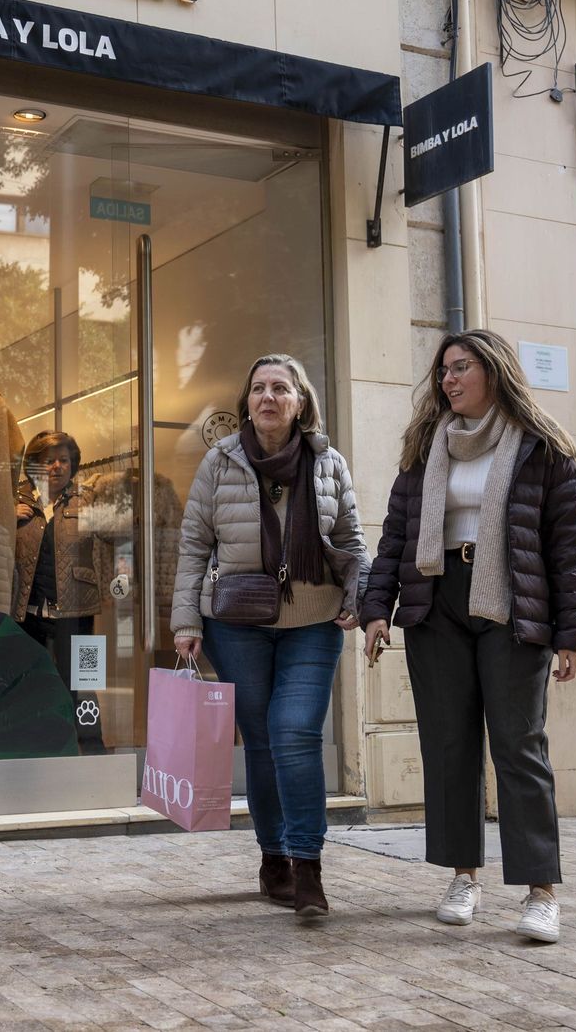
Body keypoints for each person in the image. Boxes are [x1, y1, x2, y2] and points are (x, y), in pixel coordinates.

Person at [360, 328, 576, 945]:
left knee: (519, 746)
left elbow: (566, 551)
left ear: (493, 371)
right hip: (437, 603)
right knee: (449, 745)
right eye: (443, 372)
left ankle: (540, 892)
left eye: (460, 368)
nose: (448, 380)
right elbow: (395, 537)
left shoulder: (541, 449)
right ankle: (464, 878)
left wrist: (571, 633)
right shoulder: (425, 446)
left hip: (512, 606)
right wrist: (376, 606)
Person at [171, 353, 369, 918]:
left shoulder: (328, 463)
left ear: (300, 401)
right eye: (258, 388)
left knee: (294, 734)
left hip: (313, 619)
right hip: (237, 624)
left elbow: (353, 540)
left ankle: (309, 865)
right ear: (247, 403)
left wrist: (358, 599)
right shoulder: (220, 462)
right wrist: (186, 621)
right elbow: (193, 547)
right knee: (259, 742)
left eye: (280, 388)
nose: (267, 397)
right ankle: (272, 858)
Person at [13, 430, 104, 749]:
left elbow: (117, 541)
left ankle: (90, 752)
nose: (57, 467)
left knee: (85, 684)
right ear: (35, 466)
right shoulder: (16, 500)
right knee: (29, 684)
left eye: (64, 460)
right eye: (49, 461)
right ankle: (37, 750)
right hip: (27, 612)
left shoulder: (88, 498)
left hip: (79, 610)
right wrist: (7, 519)